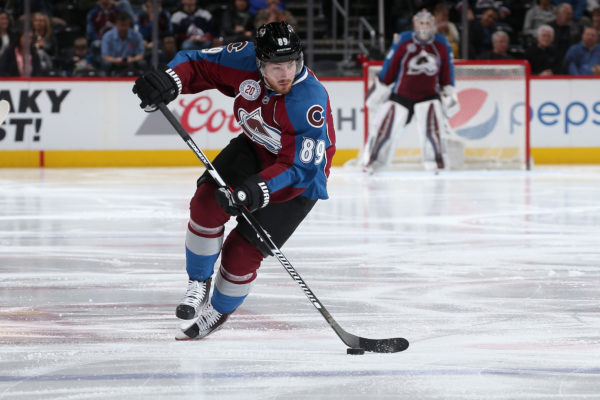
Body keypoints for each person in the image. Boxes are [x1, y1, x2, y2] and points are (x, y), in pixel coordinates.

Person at [131, 22, 336, 340]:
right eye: (276, 66)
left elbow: (300, 167)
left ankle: (219, 309)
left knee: (241, 252)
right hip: (254, 149)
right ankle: (198, 282)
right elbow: (196, 61)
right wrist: (170, 80)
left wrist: (257, 190)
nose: (286, 73)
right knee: (205, 204)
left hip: (296, 180)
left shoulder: (308, 100)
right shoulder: (242, 59)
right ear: (259, 62)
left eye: (292, 64)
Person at [361, 10, 457, 173]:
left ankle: (437, 164)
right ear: (415, 24)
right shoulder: (405, 40)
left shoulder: (441, 43)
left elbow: (447, 69)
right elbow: (390, 65)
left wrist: (448, 89)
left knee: (434, 132)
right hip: (401, 95)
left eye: (427, 23)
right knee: (383, 130)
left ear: (433, 25)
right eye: (421, 23)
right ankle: (372, 161)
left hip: (429, 96)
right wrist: (382, 84)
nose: (424, 26)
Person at [101, 11, 145, 76]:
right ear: (116, 24)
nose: (123, 28)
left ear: (129, 24)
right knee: (106, 64)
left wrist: (132, 59)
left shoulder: (137, 36)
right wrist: (116, 60)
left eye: (126, 25)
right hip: (114, 63)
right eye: (121, 25)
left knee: (142, 63)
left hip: (131, 63)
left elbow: (140, 55)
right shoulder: (107, 36)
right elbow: (105, 57)